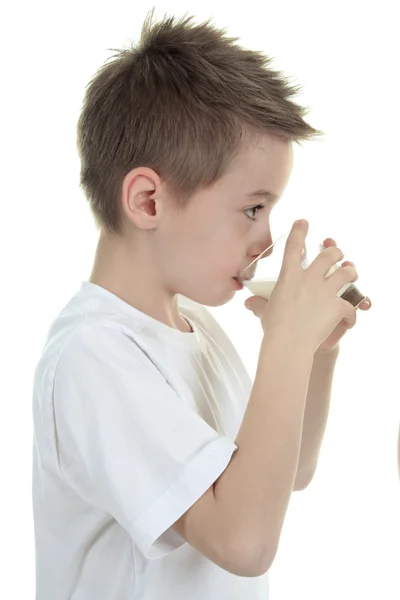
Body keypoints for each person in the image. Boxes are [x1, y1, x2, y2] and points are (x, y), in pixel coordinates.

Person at [31, 10, 372, 600]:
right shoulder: (94, 356)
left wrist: (312, 354)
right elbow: (243, 543)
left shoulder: (198, 329)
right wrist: (285, 347)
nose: (267, 238)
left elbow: (286, 475)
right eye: (251, 209)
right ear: (148, 201)